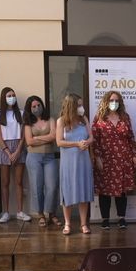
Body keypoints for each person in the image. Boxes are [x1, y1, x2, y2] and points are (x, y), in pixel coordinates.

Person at [92, 89, 136, 228]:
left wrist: (134, 155)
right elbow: (95, 140)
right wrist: (97, 157)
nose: (114, 103)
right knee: (104, 189)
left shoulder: (125, 117)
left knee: (121, 189)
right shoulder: (99, 118)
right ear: (106, 101)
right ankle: (105, 219)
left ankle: (121, 218)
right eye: (111, 100)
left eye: (117, 100)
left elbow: (130, 138)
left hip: (123, 158)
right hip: (105, 159)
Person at [57, 94, 94, 235]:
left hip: (83, 161)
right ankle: (67, 224)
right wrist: (76, 144)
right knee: (68, 190)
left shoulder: (83, 120)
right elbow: (59, 142)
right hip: (68, 163)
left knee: (83, 191)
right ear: (71, 107)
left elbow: (91, 137)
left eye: (81, 104)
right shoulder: (61, 122)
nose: (81, 107)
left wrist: (87, 142)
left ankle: (83, 224)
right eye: (78, 105)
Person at [23, 94, 60, 228]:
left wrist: (37, 138)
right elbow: (29, 141)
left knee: (52, 186)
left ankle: (52, 213)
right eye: (34, 106)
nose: (37, 108)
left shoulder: (50, 119)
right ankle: (41, 215)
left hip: (49, 157)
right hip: (33, 158)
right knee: (37, 187)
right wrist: (46, 137)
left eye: (39, 105)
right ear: (30, 108)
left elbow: (54, 136)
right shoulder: (28, 123)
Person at [0, 87, 27, 223]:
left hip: (19, 147)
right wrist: (8, 152)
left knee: (19, 182)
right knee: (5, 182)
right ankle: (6, 212)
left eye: (13, 95)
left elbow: (24, 135)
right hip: (4, 148)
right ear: (3, 98)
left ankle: (20, 211)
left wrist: (18, 150)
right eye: (9, 95)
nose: (12, 97)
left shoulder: (21, 113)